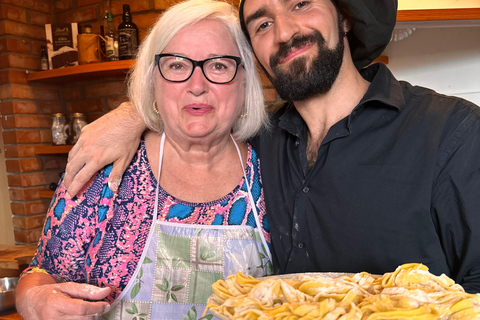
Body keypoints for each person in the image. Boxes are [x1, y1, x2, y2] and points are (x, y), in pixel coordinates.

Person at [63, 0, 480, 293]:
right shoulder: (257, 141)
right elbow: (196, 103)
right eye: (262, 23)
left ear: (346, 17)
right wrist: (132, 114)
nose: (284, 32)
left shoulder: (451, 133)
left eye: (301, 3)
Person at [15, 1, 272, 319]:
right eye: (177, 65)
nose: (197, 86)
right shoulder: (104, 169)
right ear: (154, 80)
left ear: (244, 81)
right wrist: (35, 302)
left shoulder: (275, 169)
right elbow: (41, 272)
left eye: (219, 65)